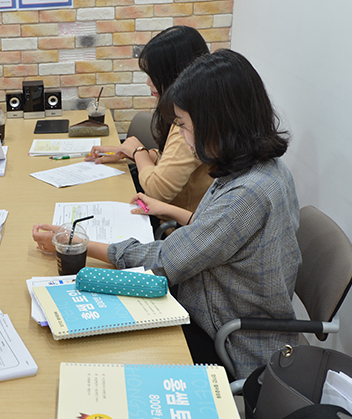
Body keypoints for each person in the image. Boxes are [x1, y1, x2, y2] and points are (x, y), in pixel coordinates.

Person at [34, 50, 301, 380]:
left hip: (230, 340)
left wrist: (78, 244)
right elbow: (216, 234)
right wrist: (171, 210)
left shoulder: (247, 194)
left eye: (185, 125)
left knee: (102, 352)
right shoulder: (261, 169)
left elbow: (165, 261)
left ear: (219, 123)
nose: (184, 137)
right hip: (214, 309)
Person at [86, 26, 213, 217]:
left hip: (175, 226)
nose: (148, 82)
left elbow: (157, 191)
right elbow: (170, 159)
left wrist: (138, 152)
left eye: (153, 75)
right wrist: (129, 152)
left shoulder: (191, 124)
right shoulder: (193, 111)